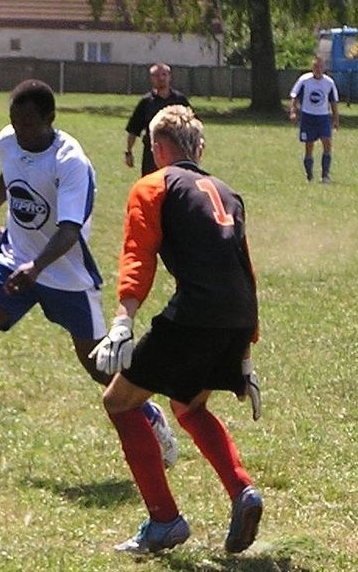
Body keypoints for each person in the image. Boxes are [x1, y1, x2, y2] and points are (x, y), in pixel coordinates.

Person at [0, 79, 178, 474]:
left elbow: (71, 229)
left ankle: (149, 413)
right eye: (15, 123)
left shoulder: (70, 162)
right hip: (14, 258)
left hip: (65, 273)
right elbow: (11, 168)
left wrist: (36, 268)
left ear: (50, 119)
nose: (20, 132)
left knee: (99, 368)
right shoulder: (9, 140)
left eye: (29, 125)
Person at [91, 105, 263, 554]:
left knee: (120, 403)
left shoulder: (153, 184)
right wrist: (245, 354)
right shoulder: (227, 192)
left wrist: (122, 322)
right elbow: (245, 270)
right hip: (237, 315)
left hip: (197, 313)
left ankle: (164, 521)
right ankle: (243, 490)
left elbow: (137, 255)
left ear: (158, 148)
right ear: (199, 149)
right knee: (189, 407)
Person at [125, 62, 190, 176]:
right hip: (152, 154)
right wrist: (129, 152)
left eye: (164, 74)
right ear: (151, 79)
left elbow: (192, 125)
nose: (161, 78)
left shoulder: (180, 100)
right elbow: (133, 129)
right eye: (156, 75)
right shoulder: (146, 102)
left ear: (170, 77)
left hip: (176, 153)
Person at [289, 56, 339, 183]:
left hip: (323, 117)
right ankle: (309, 175)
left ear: (324, 68)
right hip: (308, 117)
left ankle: (325, 175)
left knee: (327, 143)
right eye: (315, 67)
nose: (318, 69)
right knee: (309, 146)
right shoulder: (304, 80)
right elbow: (294, 97)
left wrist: (335, 119)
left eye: (320, 67)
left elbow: (333, 102)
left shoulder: (329, 82)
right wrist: (293, 111)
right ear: (312, 68)